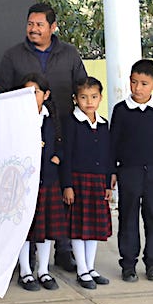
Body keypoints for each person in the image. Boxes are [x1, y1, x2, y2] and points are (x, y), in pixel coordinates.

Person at [0, 2, 86, 271]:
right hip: (26, 133)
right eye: (30, 24)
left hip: (64, 130)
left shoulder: (70, 54)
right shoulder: (13, 56)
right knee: (27, 195)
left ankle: (64, 250)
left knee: (61, 191)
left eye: (39, 25)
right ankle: (25, 257)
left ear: (53, 27)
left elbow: (82, 87)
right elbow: (1, 92)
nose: (33, 29)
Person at [111, 59, 153, 283]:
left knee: (152, 217)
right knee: (128, 217)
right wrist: (112, 170)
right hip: (129, 172)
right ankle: (128, 264)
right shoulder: (121, 110)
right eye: (134, 82)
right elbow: (113, 142)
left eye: (144, 83)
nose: (138, 88)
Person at [16, 73, 69, 292]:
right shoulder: (17, 118)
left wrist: (56, 156)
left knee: (46, 229)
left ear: (45, 95)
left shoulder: (50, 118)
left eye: (35, 92)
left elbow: (62, 143)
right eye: (26, 92)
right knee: (24, 230)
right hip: (25, 183)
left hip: (48, 180)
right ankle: (25, 271)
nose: (31, 97)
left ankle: (43, 270)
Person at [61, 77, 113, 290]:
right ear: (75, 99)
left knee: (93, 227)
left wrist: (109, 183)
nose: (89, 102)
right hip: (78, 181)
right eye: (83, 97)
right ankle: (81, 269)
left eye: (93, 97)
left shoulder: (103, 124)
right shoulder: (71, 123)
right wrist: (67, 184)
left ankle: (90, 267)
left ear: (100, 98)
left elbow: (109, 155)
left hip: (98, 181)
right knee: (78, 227)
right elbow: (66, 156)